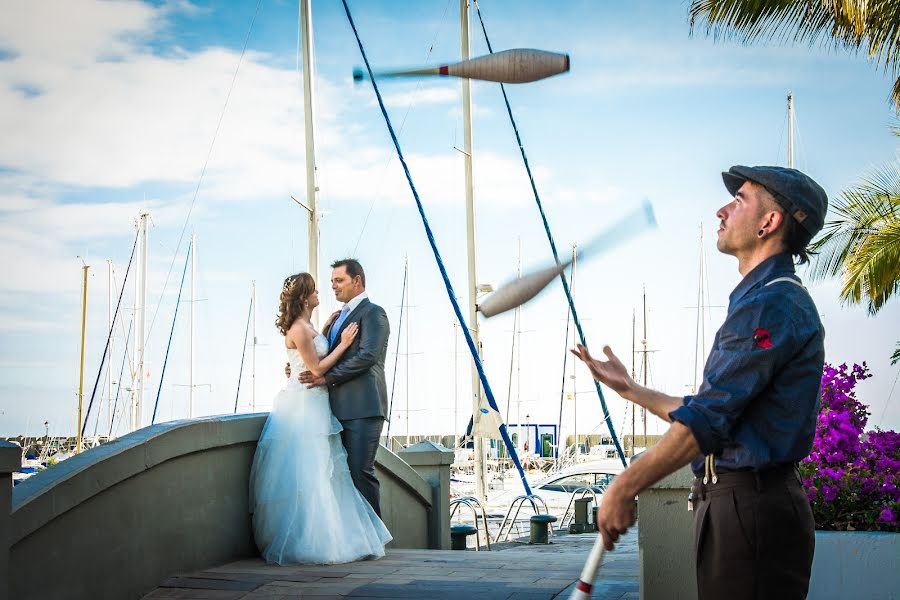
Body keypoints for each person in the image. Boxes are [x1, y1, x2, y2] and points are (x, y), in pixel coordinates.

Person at [571, 166, 828, 600]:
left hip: (750, 508)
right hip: (737, 506)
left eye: (740, 200)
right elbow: (712, 411)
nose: (722, 210)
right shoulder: (762, 298)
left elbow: (705, 421)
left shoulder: (771, 302)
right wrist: (632, 390)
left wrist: (624, 486)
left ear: (769, 223)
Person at [249, 272, 391, 564]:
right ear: (304, 298)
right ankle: (315, 539)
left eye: (336, 281)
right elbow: (314, 370)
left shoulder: (313, 325)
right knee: (311, 471)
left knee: (327, 471)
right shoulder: (300, 329)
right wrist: (342, 343)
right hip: (305, 406)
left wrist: (325, 329)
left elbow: (310, 355)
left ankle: (344, 536)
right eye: (315, 290)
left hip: (319, 405)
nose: (321, 293)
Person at [295, 259, 391, 517]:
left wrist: (326, 379)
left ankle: (373, 539)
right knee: (340, 476)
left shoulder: (374, 313)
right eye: (332, 282)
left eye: (339, 281)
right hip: (333, 410)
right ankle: (354, 540)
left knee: (361, 472)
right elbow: (320, 358)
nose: (333, 287)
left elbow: (367, 356)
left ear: (357, 280)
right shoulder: (337, 318)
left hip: (363, 407)